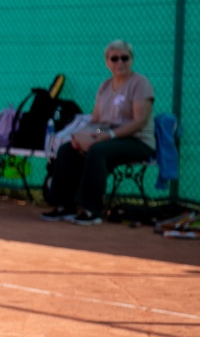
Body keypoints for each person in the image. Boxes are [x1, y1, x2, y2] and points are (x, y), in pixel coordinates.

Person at [42, 40, 156, 225]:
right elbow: (96, 122)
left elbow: (139, 121)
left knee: (97, 151)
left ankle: (92, 210)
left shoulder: (141, 83)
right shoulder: (104, 86)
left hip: (137, 141)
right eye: (115, 58)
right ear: (107, 62)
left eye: (125, 58)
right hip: (107, 139)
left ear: (131, 60)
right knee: (67, 150)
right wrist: (84, 137)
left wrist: (107, 136)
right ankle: (64, 206)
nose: (120, 62)